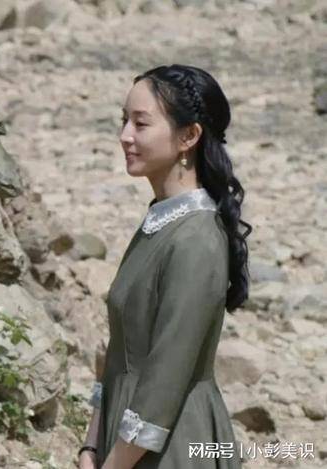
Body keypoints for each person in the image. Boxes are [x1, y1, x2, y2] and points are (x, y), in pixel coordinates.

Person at [78, 64, 251, 469]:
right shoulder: (160, 221)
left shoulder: (196, 239)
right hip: (123, 443)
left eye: (140, 124)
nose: (125, 135)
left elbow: (166, 376)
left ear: (188, 136)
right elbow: (118, 354)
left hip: (172, 446)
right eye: (124, 120)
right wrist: (90, 445)